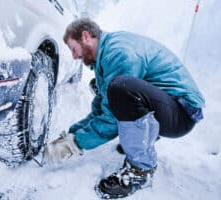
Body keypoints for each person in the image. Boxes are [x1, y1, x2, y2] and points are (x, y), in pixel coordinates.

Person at [44, 18, 205, 199]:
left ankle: (140, 170)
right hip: (168, 105)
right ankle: (140, 137)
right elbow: (101, 109)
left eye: (74, 49)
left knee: (120, 89)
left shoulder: (119, 53)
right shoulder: (106, 55)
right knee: (110, 89)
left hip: (182, 113)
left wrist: (74, 145)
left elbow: (111, 118)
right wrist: (72, 134)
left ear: (86, 36)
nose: (74, 56)